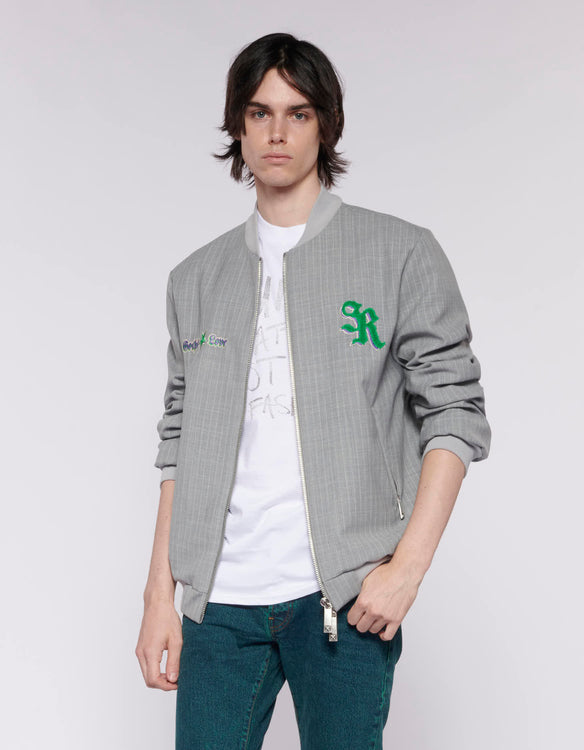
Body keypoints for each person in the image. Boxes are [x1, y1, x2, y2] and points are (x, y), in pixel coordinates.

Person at [135, 32, 491, 749]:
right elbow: (179, 441)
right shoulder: (194, 279)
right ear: (238, 126)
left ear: (325, 124)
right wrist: (158, 596)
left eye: (298, 113)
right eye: (260, 112)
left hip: (343, 598)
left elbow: (455, 413)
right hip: (219, 607)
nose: (277, 132)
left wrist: (406, 570)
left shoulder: (399, 252)